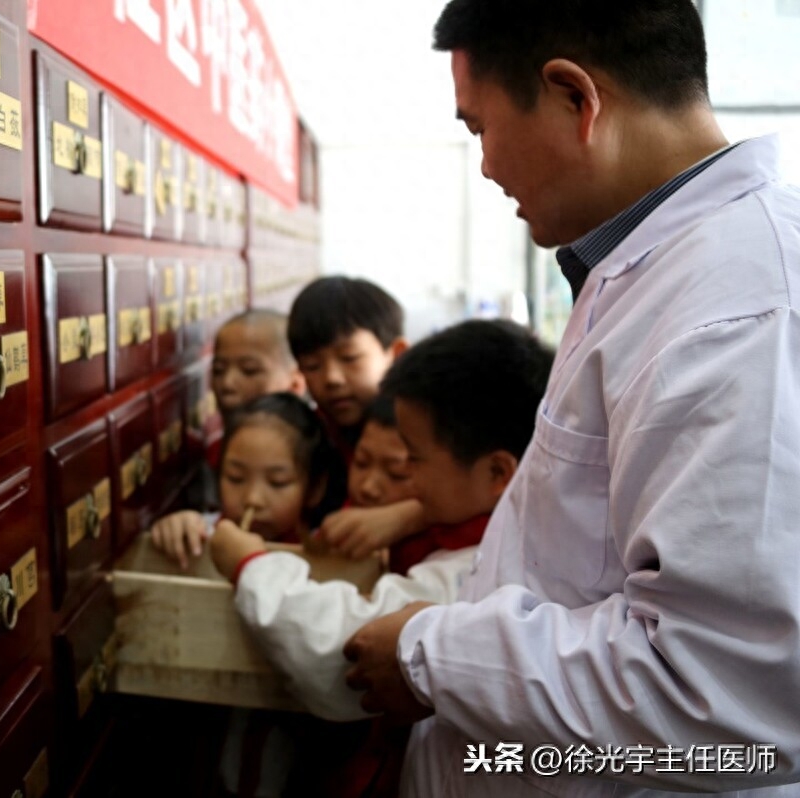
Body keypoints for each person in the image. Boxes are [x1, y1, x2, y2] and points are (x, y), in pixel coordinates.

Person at [343, 2, 800, 796]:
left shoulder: (740, 309)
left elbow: (724, 688)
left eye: (480, 127)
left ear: (573, 98)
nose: (484, 165)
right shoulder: (651, 268)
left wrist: (431, 656)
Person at [209, 320, 554, 725]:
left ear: (497, 473)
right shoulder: (498, 527)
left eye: (412, 458)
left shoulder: (482, 577)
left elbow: (348, 646)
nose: (404, 473)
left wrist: (251, 568)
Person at [153, 392, 349, 797]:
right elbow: (179, 539)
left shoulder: (328, 553)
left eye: (277, 482)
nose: (253, 498)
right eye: (236, 478)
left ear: (314, 488)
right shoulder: (207, 535)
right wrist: (177, 526)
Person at [287, 276, 423, 564]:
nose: (332, 378)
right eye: (312, 365)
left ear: (397, 354)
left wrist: (408, 516)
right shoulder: (310, 434)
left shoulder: (429, 427)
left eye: (349, 358)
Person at [154, 310, 307, 563]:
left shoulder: (317, 448)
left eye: (249, 371)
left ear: (295, 384)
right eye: (219, 370)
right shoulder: (214, 450)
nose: (227, 384)